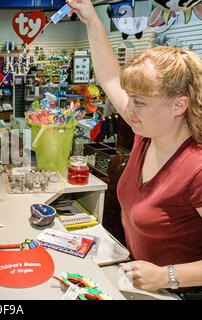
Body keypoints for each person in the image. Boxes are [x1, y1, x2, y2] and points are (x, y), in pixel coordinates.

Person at [68, 0, 202, 298]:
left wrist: (166, 275)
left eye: (139, 102)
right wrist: (90, 18)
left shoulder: (196, 168)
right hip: (143, 285)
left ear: (179, 105)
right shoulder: (147, 134)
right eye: (129, 98)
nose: (128, 109)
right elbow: (109, 78)